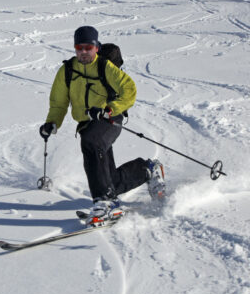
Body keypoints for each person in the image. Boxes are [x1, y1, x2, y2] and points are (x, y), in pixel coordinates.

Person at [39, 26, 167, 224]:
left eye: (88, 47)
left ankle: (105, 202)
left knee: (91, 142)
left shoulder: (105, 67)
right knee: (109, 180)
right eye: (79, 47)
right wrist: (52, 122)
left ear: (96, 47)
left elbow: (129, 90)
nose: (83, 52)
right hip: (87, 124)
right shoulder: (67, 70)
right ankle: (146, 170)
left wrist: (108, 109)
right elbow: (59, 102)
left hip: (109, 118)